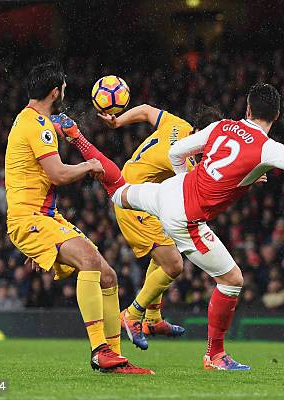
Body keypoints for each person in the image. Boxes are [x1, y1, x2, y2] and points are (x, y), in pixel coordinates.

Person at [67, 82, 284, 370]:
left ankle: (76, 137)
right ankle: (214, 355)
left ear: (247, 108)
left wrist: (188, 181)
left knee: (117, 191)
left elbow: (177, 151)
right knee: (232, 280)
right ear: (274, 117)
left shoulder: (223, 126)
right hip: (186, 218)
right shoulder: (267, 148)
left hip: (166, 193)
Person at [4, 61, 152, 374]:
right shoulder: (37, 125)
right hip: (30, 218)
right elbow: (57, 174)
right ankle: (99, 350)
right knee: (88, 260)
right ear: (55, 91)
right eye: (64, 90)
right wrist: (88, 167)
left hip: (44, 217)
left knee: (108, 274)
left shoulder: (30, 120)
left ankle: (114, 357)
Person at [55, 103, 223, 351]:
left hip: (144, 195)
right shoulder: (184, 159)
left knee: (170, 242)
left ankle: (152, 320)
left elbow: (145, 110)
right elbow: (202, 190)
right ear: (198, 131)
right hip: (132, 200)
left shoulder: (179, 125)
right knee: (174, 264)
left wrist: (117, 122)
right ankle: (132, 315)